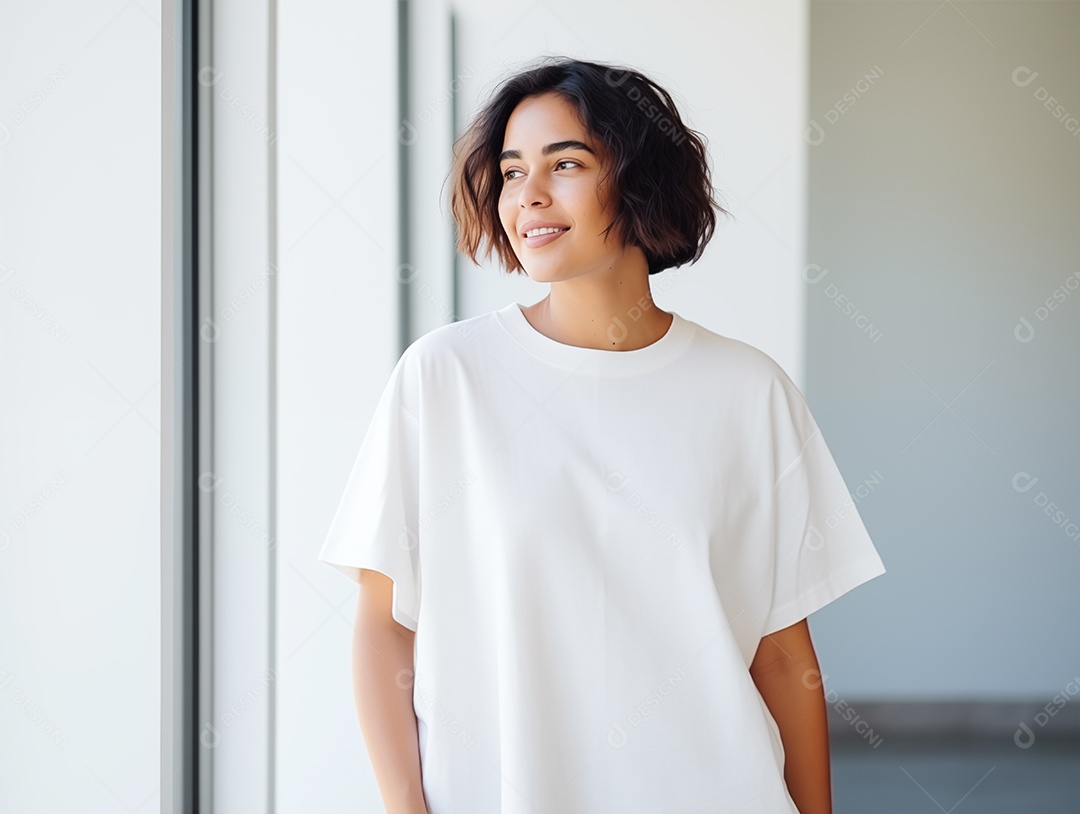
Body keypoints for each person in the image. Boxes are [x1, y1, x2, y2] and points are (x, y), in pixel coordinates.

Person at [318, 56, 887, 814]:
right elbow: (384, 629)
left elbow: (784, 662)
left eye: (568, 163)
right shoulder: (445, 378)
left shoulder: (749, 393)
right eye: (513, 171)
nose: (531, 196)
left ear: (640, 178)